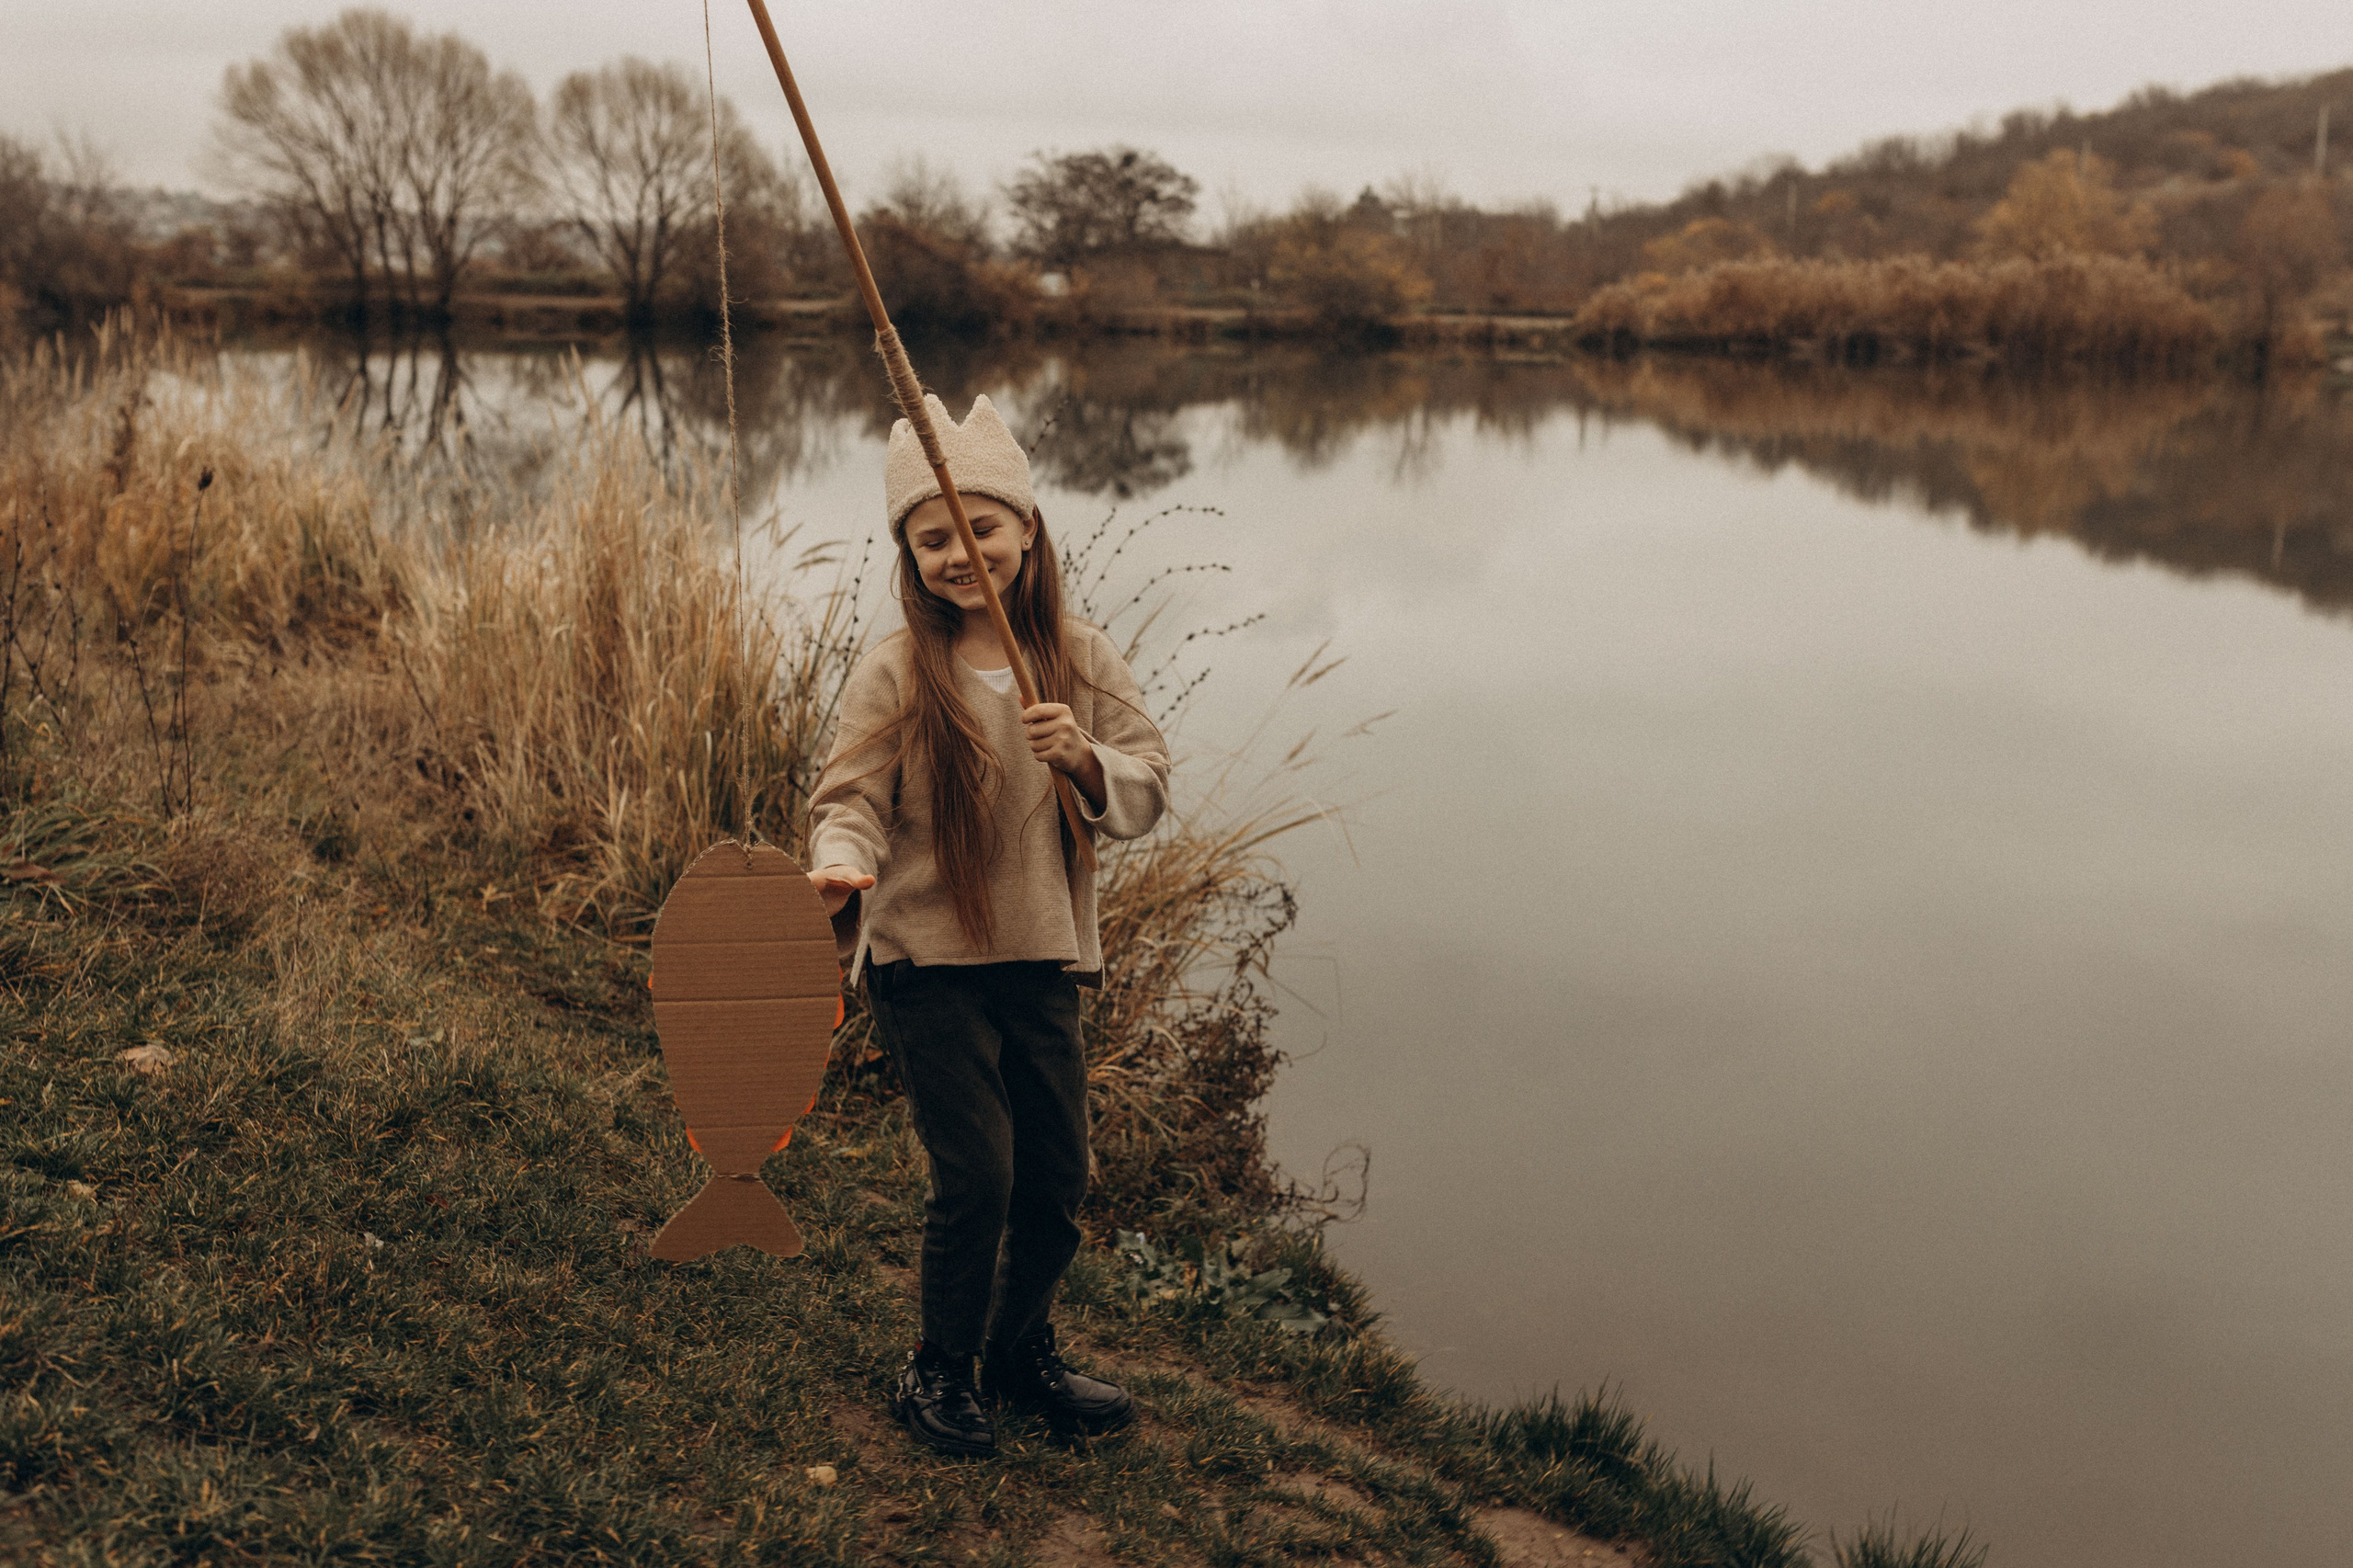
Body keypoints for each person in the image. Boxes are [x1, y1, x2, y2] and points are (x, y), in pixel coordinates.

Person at [805, 393, 1169, 1458]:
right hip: (926, 958)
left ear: (1026, 531)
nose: (961, 554)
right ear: (909, 555)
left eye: (981, 528)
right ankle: (940, 1365)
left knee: (1055, 1180)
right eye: (933, 539)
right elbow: (850, 792)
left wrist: (1087, 759)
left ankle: (1019, 1350)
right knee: (979, 1176)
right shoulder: (894, 669)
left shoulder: (1080, 658)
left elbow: (1149, 785)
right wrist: (841, 857)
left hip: (1042, 953)